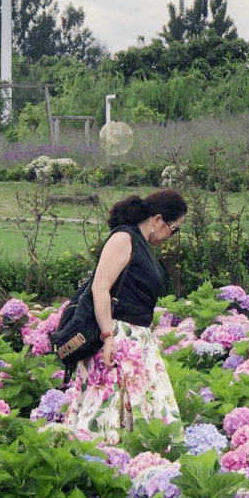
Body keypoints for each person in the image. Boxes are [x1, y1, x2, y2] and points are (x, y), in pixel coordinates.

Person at [62, 189, 187, 442]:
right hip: (116, 336)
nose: (172, 236)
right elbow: (100, 288)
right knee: (106, 408)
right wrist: (108, 336)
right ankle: (100, 463)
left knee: (146, 405)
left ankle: (137, 463)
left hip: (137, 338)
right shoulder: (124, 238)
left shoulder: (141, 244)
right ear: (158, 220)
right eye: (174, 228)